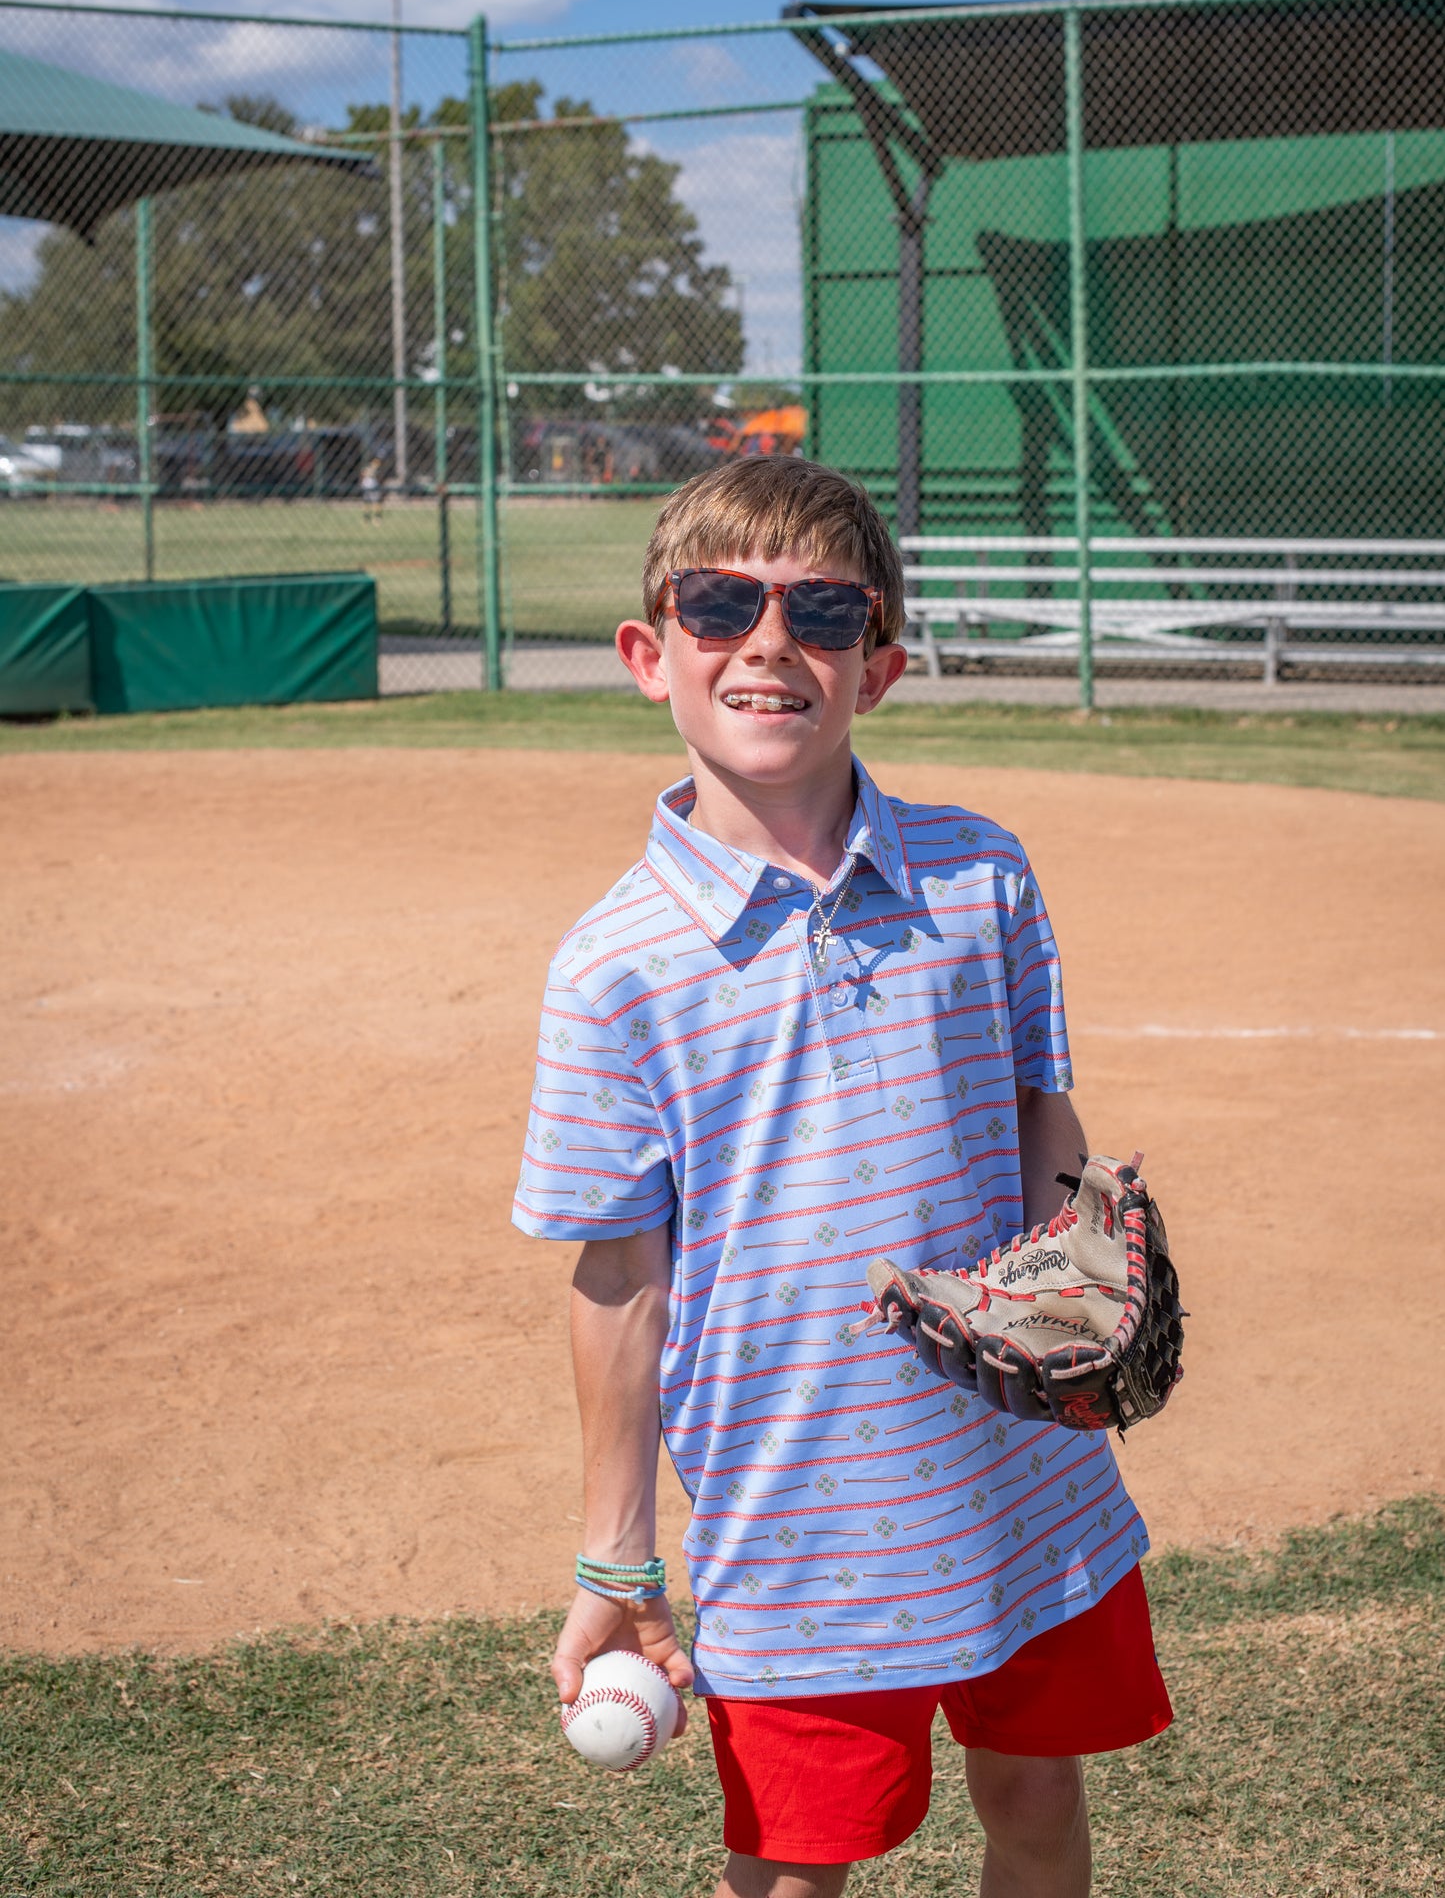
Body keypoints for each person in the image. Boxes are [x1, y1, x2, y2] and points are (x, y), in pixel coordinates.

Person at [512, 459, 1171, 1898]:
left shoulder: (978, 876)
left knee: (1038, 1809)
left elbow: (1035, 1111)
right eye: (717, 604)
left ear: (875, 665)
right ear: (648, 654)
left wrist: (1084, 1267)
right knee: (796, 1870)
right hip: (796, 1516)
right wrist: (616, 1564)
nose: (767, 642)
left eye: (819, 609)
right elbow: (618, 1279)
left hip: (1016, 1474)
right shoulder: (613, 967)